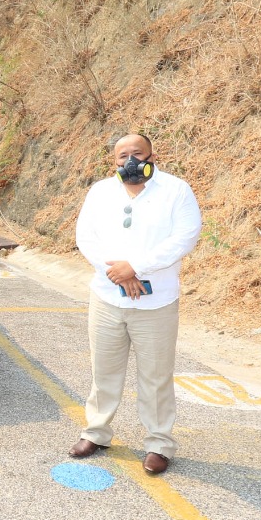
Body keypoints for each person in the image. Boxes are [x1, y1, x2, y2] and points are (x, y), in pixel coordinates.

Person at [69, 133, 202, 474]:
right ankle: (96, 432)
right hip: (107, 296)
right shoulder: (100, 192)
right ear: (113, 162)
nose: (129, 160)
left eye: (137, 153)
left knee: (156, 377)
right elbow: (86, 237)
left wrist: (137, 268)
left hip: (156, 303)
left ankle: (159, 443)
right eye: (122, 155)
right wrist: (119, 273)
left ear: (151, 155)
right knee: (104, 371)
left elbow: (185, 237)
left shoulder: (176, 190)